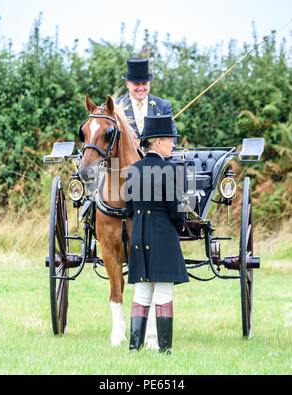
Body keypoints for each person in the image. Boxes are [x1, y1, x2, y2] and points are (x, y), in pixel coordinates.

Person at [125, 115, 189, 354]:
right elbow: (177, 212)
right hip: (163, 237)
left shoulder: (132, 170)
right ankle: (164, 350)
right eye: (170, 140)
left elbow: (129, 209)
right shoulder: (171, 171)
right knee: (163, 291)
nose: (173, 144)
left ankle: (134, 348)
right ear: (158, 142)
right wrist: (178, 225)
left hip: (139, 237)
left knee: (141, 291)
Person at [117, 58, 178, 142]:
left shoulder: (163, 106)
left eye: (144, 83)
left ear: (149, 83)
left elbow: (172, 140)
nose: (141, 88)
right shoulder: (116, 106)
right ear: (127, 84)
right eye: (136, 84)